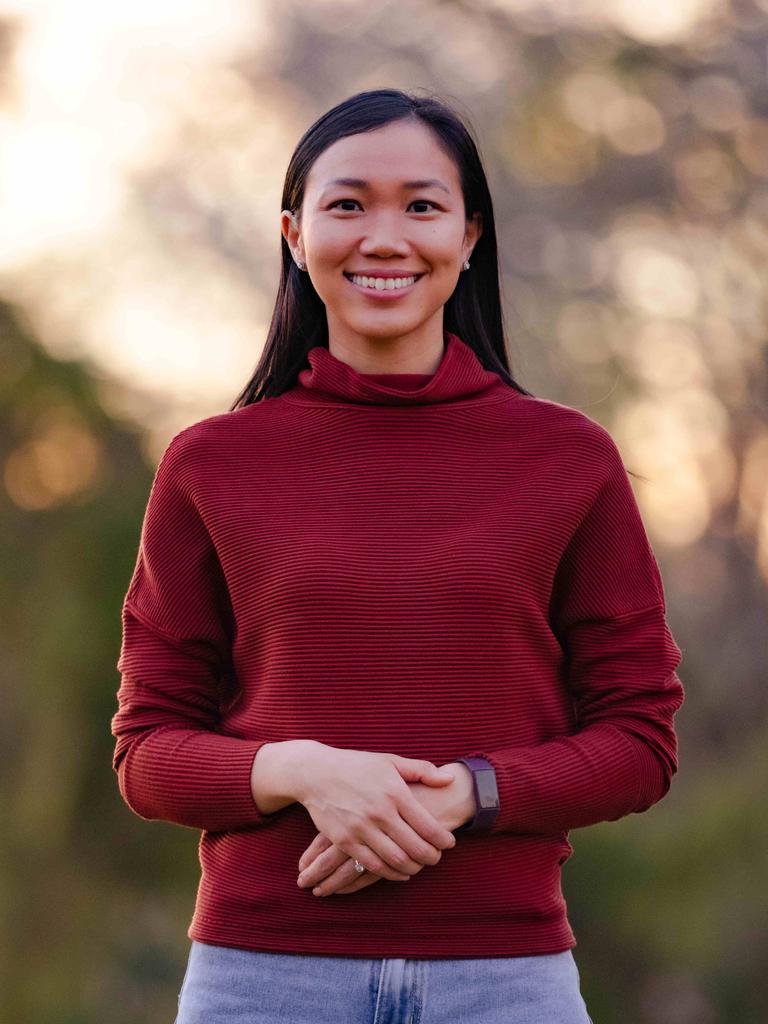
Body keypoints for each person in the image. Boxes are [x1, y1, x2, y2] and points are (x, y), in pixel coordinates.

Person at [110, 88, 685, 1024]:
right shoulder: (210, 464)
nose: (385, 237)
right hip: (264, 977)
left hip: (504, 980)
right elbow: (148, 753)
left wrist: (466, 794)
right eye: (348, 205)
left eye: (422, 205)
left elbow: (640, 739)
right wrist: (305, 771)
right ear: (294, 234)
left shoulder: (569, 459)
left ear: (469, 237)